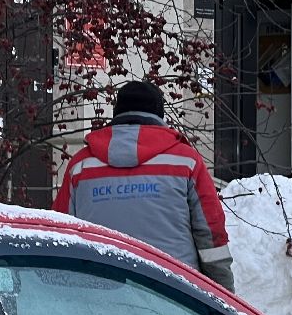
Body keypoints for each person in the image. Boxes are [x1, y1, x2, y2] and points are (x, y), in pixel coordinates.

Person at [54, 80, 235, 291]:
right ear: (159, 115)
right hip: (176, 295)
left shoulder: (80, 166)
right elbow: (211, 236)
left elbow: (59, 234)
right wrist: (225, 296)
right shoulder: (186, 161)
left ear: (117, 113)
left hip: (99, 293)